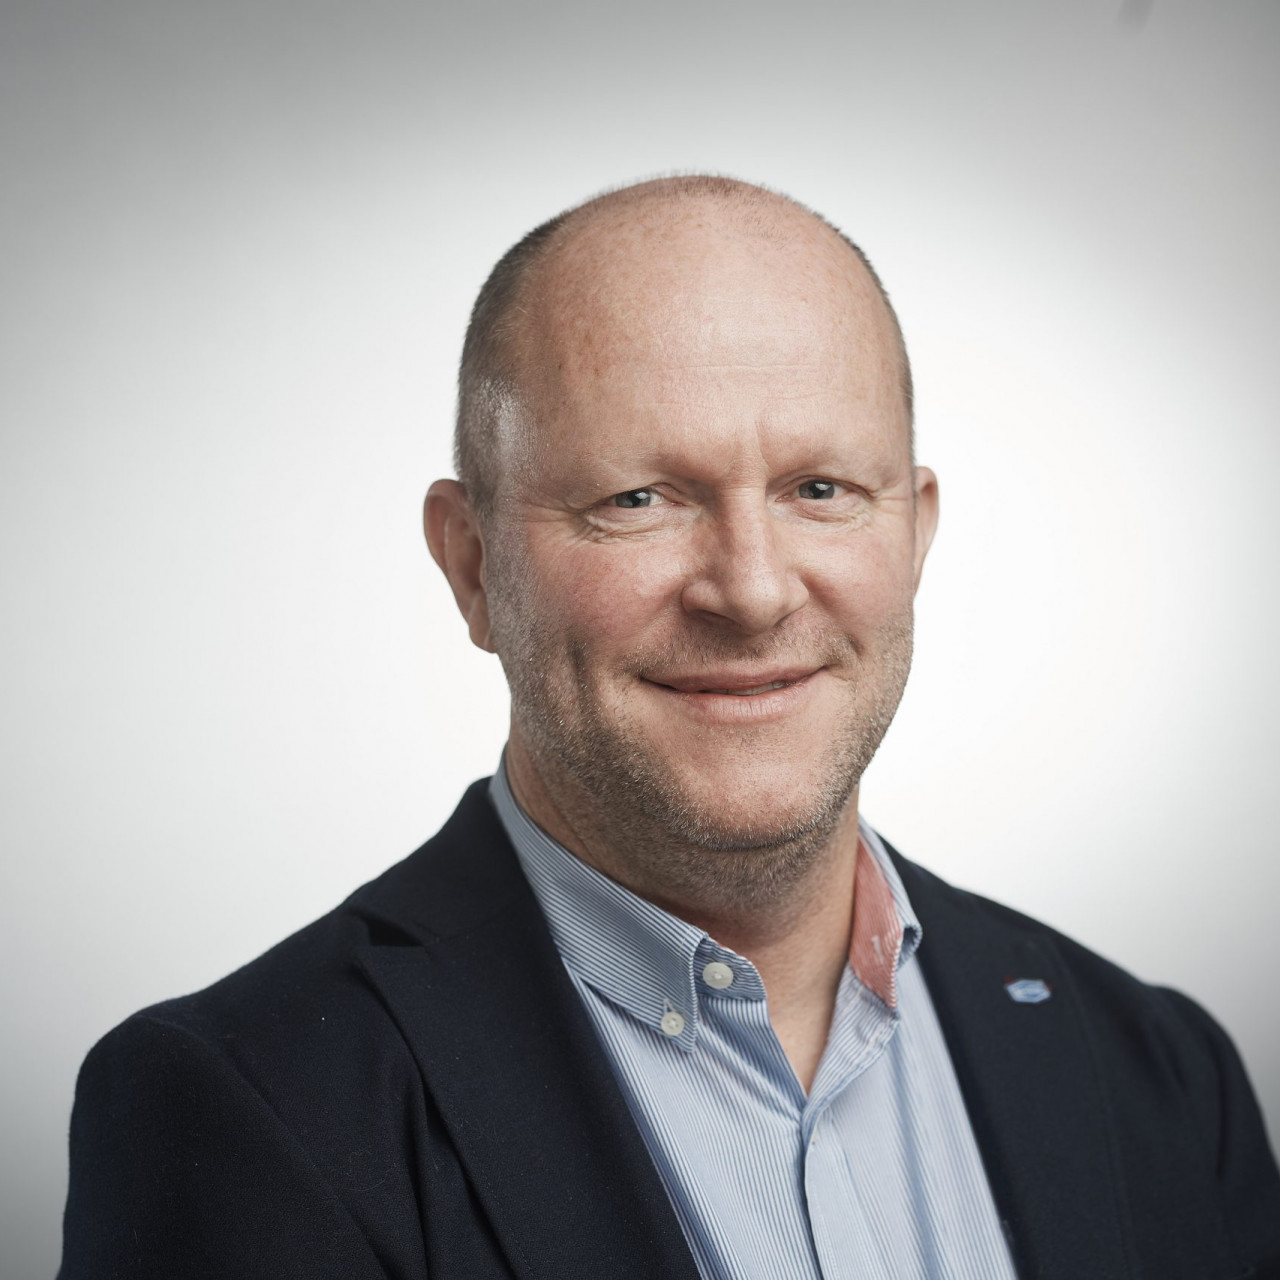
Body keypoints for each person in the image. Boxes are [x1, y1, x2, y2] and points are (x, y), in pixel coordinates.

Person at [60, 176, 1280, 1280]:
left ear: (912, 533)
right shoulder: (244, 1107)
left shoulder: (1159, 1072)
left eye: (819, 489)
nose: (750, 590)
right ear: (472, 565)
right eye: (637, 498)